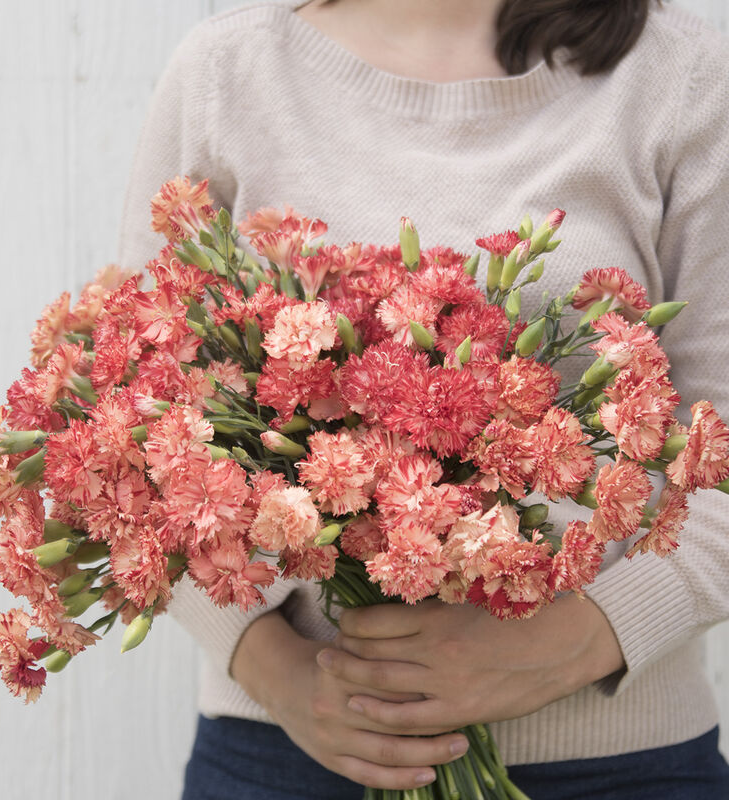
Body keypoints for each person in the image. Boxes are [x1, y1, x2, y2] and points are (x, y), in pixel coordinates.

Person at [118, 1, 729, 797]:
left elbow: (720, 441)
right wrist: (279, 672)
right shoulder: (226, 75)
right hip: (284, 756)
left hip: (622, 768)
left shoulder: (683, 77)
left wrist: (584, 640)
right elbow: (136, 421)